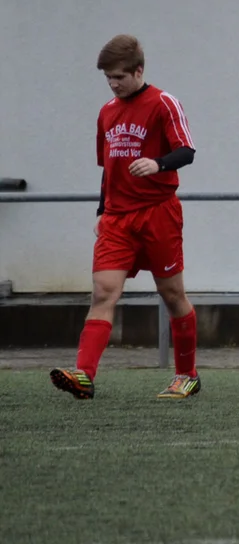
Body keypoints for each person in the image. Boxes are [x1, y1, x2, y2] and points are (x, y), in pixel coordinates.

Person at [50, 34, 200, 400]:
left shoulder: (163, 103)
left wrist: (158, 163)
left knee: (172, 294)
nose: (113, 84)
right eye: (108, 78)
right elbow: (109, 169)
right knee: (103, 292)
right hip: (117, 219)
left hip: (159, 213)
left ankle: (187, 375)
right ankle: (84, 375)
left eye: (119, 76)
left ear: (138, 71)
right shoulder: (107, 112)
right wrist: (102, 211)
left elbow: (187, 151)